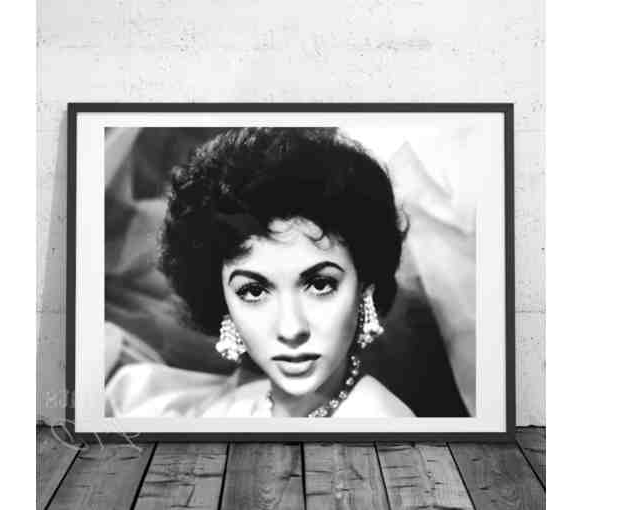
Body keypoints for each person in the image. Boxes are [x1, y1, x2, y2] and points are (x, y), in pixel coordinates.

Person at [105, 127, 415, 418]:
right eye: (253, 292)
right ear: (223, 304)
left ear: (365, 289)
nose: (291, 329)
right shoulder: (236, 406)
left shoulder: (378, 420)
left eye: (320, 285)